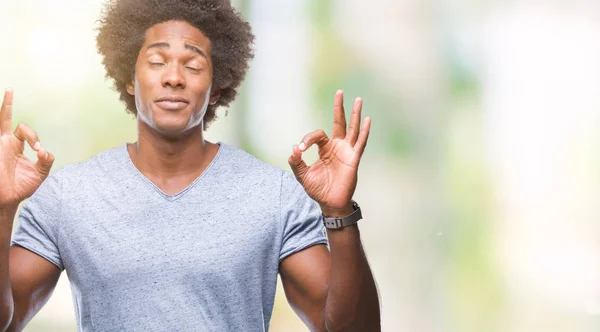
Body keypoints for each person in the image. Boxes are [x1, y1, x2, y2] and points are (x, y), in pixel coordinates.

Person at [0, 0, 380, 331]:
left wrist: (338, 212)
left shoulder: (273, 195)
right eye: (156, 61)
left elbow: (353, 329)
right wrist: (3, 212)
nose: (174, 78)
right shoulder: (69, 196)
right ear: (130, 78)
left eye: (193, 66)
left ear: (216, 87)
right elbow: (7, 319)